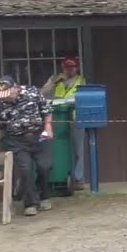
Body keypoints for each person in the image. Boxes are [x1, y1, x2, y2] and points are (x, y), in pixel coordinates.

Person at [0, 75, 54, 216]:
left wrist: (48, 128)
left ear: (15, 88)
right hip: (16, 140)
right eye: (1, 95)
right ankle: (30, 204)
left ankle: (43, 195)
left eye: (6, 94)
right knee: (25, 170)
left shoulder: (33, 92)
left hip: (38, 136)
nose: (3, 98)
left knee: (45, 166)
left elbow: (46, 111)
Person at [42, 56, 86, 190]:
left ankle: (78, 179)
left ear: (77, 68)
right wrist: (54, 83)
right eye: (67, 67)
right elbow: (42, 94)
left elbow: (81, 98)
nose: (70, 70)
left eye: (72, 67)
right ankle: (57, 176)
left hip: (74, 117)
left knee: (78, 149)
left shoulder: (81, 80)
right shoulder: (54, 79)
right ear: (63, 68)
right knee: (57, 148)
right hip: (56, 118)